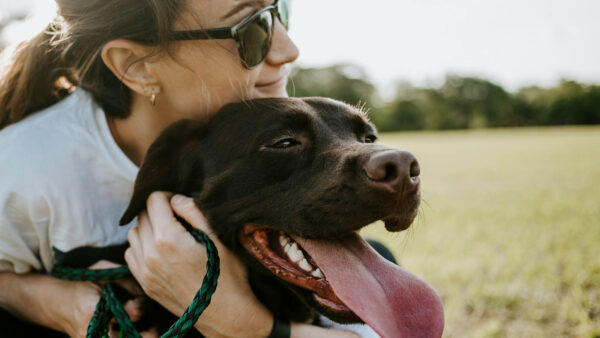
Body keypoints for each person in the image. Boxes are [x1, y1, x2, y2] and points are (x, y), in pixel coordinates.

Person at [0, 0, 365, 336]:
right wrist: (54, 303)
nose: (288, 50)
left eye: (278, 8)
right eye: (252, 29)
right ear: (135, 65)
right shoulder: (21, 169)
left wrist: (239, 320)